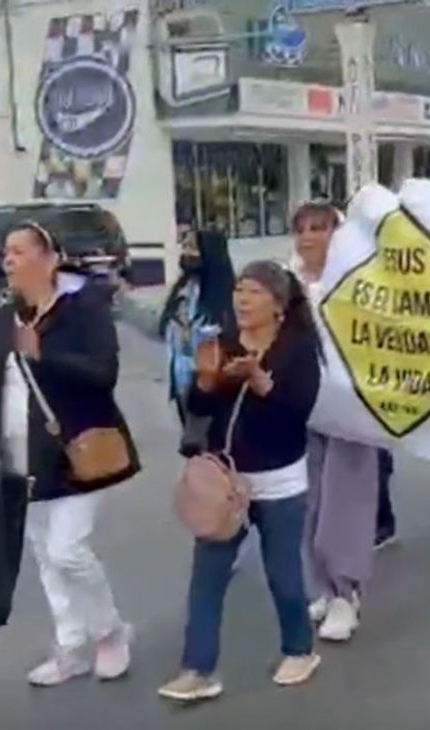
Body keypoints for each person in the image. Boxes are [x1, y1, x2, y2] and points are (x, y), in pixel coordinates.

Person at [0, 222, 137, 687]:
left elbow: (103, 374)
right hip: (21, 456)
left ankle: (109, 632)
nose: (9, 261)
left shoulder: (83, 310)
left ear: (50, 259)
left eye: (19, 251)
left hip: (78, 449)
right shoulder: (2, 319)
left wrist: (43, 356)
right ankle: (71, 645)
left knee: (68, 550)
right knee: (44, 556)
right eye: (6, 253)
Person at [159, 260, 323, 702]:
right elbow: (198, 406)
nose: (242, 300)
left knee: (283, 575)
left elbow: (297, 413)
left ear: (278, 302)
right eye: (239, 291)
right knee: (207, 578)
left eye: (253, 292)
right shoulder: (225, 343)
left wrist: (258, 379)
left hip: (279, 481)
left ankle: (299, 649)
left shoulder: (298, 348)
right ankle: (198, 668)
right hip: (226, 483)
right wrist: (207, 379)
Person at [286, 201, 380, 642]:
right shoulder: (287, 286)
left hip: (353, 409)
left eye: (319, 228)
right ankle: (323, 586)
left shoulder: (361, 282)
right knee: (309, 504)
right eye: (302, 229)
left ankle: (347, 594)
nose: (308, 237)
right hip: (303, 408)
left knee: (345, 505)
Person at [160, 226, 236, 456]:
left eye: (192, 247)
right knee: (197, 454)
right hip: (183, 386)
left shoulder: (227, 296)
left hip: (213, 388)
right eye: (184, 246)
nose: (186, 252)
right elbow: (162, 326)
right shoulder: (184, 289)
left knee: (216, 452)